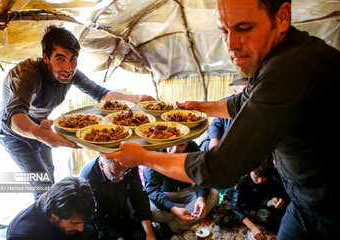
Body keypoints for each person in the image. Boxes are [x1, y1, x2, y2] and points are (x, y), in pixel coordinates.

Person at [104, 0, 340, 239]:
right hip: (302, 207)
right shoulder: (278, 57)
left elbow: (221, 167)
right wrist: (199, 107)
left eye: (245, 28)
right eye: (225, 31)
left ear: (282, 17)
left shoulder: (290, 68)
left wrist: (142, 156)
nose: (232, 45)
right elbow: (241, 101)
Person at [0, 25, 154, 200]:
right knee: (42, 183)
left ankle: (48, 216)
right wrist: (37, 133)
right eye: (60, 58)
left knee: (49, 173)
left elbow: (101, 94)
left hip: (41, 128)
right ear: (45, 58)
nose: (68, 67)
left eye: (73, 59)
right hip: (14, 133)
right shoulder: (27, 73)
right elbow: (14, 116)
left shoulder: (71, 74)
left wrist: (137, 98)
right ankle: (41, 223)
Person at [143, 141, 219, 236]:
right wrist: (173, 209)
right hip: (164, 195)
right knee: (151, 211)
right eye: (170, 144)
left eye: (181, 145)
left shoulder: (192, 147)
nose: (174, 150)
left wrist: (201, 198)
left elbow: (202, 176)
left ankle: (170, 227)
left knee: (214, 195)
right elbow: (152, 190)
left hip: (187, 191)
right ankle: (183, 214)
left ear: (187, 143)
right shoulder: (154, 152)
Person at [79, 155, 156, 240]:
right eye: (115, 174)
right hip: (105, 223)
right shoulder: (88, 177)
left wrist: (150, 234)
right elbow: (96, 217)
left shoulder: (129, 165)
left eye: (125, 172)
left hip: (126, 214)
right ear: (102, 165)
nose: (121, 178)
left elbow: (139, 198)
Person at [214, 158, 288, 240]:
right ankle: (245, 218)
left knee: (268, 216)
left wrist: (270, 202)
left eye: (263, 178)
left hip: (252, 203)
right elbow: (235, 206)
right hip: (236, 202)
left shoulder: (268, 175)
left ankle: (243, 217)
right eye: (256, 177)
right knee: (218, 219)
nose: (260, 181)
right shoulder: (241, 178)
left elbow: (263, 196)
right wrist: (252, 227)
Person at [6, 176, 96, 240]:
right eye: (75, 223)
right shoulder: (23, 235)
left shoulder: (73, 212)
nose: (80, 228)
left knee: (89, 231)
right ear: (54, 214)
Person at [199, 76, 247, 151]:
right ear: (235, 91)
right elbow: (215, 124)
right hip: (224, 142)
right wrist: (214, 139)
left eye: (249, 91)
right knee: (206, 145)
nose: (247, 95)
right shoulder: (224, 104)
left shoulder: (254, 105)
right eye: (244, 91)